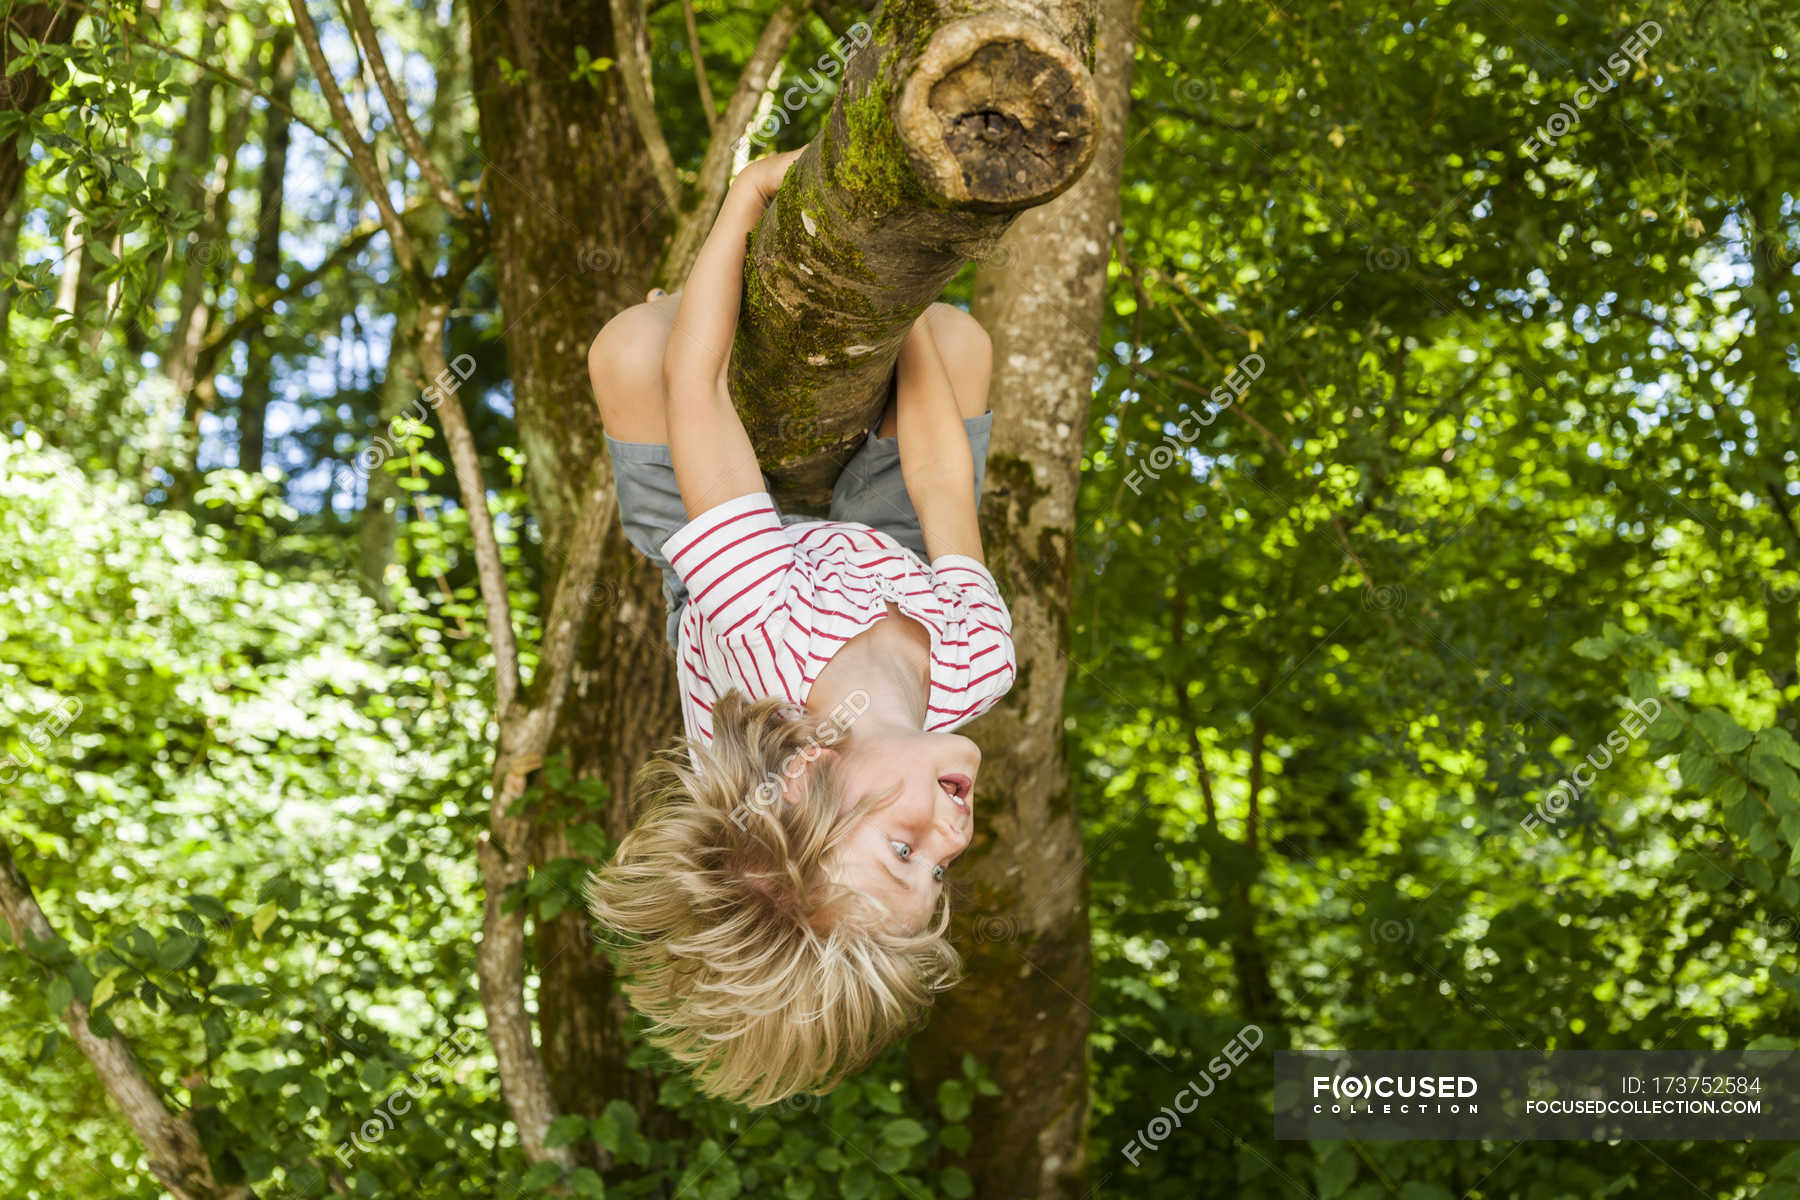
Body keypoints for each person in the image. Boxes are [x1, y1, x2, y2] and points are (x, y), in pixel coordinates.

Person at [582, 147, 1016, 1107]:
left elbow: (699, 409)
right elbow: (946, 488)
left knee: (635, 350)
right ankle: (800, 328)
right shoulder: (978, 665)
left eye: (905, 850)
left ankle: (694, 300)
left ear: (808, 776)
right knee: (959, 344)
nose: (951, 835)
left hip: (742, 559)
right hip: (879, 556)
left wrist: (742, 203)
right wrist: (889, 304)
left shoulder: (760, 634)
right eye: (937, 876)